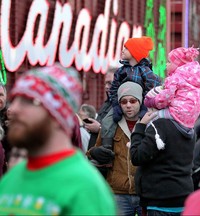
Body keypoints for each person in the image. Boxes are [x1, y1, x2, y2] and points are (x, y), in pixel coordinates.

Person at [0, 64, 116, 215]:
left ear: (57, 114)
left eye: (28, 101)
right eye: (14, 100)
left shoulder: (85, 187)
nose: (13, 109)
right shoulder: (12, 178)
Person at [99, 36, 162, 166]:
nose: (123, 50)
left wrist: (145, 105)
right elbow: (114, 88)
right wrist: (115, 104)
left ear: (135, 52)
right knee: (107, 121)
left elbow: (153, 88)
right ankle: (107, 149)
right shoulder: (121, 70)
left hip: (142, 107)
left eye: (126, 48)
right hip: (120, 104)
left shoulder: (145, 71)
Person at [88, 81, 143, 216]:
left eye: (133, 101)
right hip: (118, 193)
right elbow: (91, 153)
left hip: (144, 191)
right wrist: (95, 152)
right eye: (124, 102)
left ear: (140, 101)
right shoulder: (110, 126)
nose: (128, 105)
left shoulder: (147, 124)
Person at [129, 106, 195, 214]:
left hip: (160, 200)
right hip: (183, 196)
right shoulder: (187, 127)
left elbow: (137, 157)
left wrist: (140, 126)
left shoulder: (159, 125)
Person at [144, 46, 200, 130]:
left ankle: (148, 140)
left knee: (151, 119)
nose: (166, 64)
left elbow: (165, 97)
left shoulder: (176, 78)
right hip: (191, 117)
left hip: (178, 113)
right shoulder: (193, 79)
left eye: (169, 62)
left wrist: (152, 101)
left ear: (178, 64)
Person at [84, 67, 116, 151]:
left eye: (110, 83)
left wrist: (99, 129)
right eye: (105, 83)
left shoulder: (121, 106)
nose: (106, 87)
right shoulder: (106, 104)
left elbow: (120, 134)